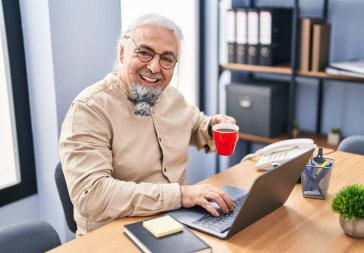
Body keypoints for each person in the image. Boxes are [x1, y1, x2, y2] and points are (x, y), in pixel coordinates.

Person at [59, 13, 237, 236]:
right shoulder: (89, 108)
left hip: (178, 224)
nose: (154, 67)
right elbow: (91, 195)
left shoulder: (172, 97)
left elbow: (196, 126)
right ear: (122, 52)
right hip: (113, 236)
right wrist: (180, 195)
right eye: (144, 53)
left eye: (167, 59)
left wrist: (213, 125)